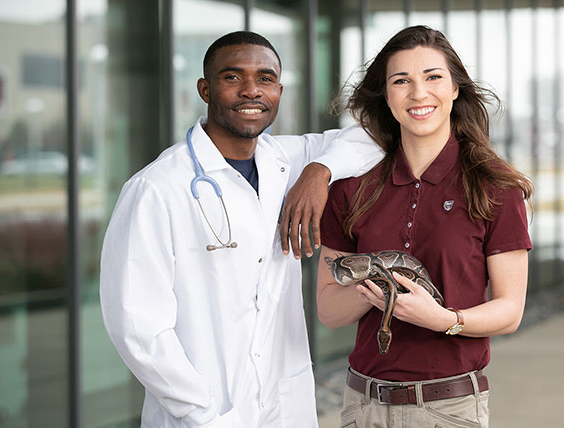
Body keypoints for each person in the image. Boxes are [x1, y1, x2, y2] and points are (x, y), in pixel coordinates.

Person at [100, 31, 382, 428]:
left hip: (284, 406)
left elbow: (376, 137)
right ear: (205, 88)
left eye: (265, 79)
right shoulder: (157, 188)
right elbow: (137, 327)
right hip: (205, 415)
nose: (252, 91)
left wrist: (321, 171)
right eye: (233, 77)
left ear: (280, 91)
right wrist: (202, 410)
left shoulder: (287, 160)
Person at [316, 25, 533, 428]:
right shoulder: (352, 187)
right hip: (361, 407)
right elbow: (329, 309)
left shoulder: (495, 187)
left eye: (433, 77)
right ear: (386, 94)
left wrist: (442, 319)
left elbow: (509, 311)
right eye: (402, 81)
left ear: (455, 89)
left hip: (448, 409)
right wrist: (381, 284)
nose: (418, 93)